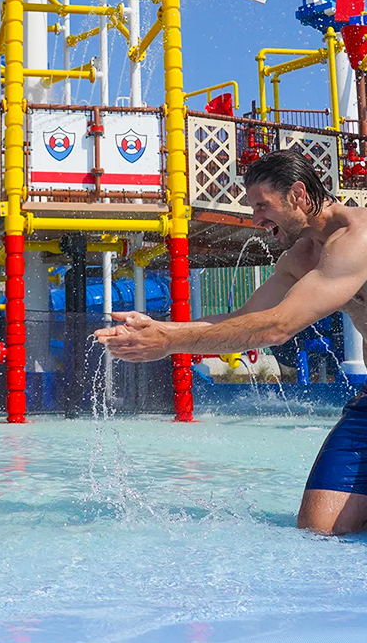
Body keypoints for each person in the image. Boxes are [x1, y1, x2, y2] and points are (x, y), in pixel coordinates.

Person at [97, 149, 367, 535]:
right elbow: (246, 321)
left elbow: (278, 327)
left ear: (297, 195)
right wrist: (159, 329)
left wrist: (168, 342)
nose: (255, 219)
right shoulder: (300, 258)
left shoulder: (357, 238)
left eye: (262, 206)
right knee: (318, 529)